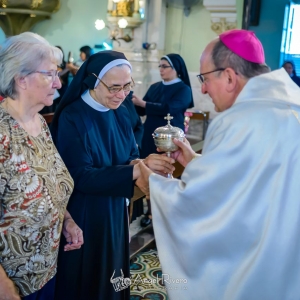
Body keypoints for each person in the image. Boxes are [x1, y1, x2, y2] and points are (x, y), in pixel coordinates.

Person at [136, 29, 300, 300]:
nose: (202, 88)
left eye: (204, 78)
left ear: (229, 76)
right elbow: (255, 179)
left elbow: (209, 208)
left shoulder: (239, 121)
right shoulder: (291, 108)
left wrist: (154, 185)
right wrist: (196, 162)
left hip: (257, 266)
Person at [50, 50, 174, 300]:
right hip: (86, 214)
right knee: (89, 279)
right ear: (93, 80)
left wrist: (143, 163)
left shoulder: (119, 109)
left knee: (115, 273)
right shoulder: (72, 116)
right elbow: (81, 176)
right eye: (114, 87)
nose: (122, 94)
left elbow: (130, 152)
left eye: (127, 86)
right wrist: (135, 169)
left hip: (116, 209)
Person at [0, 32, 83, 300]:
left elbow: (49, 184)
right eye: (49, 74)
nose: (58, 84)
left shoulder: (40, 125)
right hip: (11, 281)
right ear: (21, 78)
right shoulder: (2, 135)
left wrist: (66, 219)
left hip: (45, 269)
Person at [132, 53, 194, 227]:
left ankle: (167, 212)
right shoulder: (155, 87)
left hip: (171, 139)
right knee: (149, 172)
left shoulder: (183, 89)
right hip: (150, 135)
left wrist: (143, 104)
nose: (161, 69)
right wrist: (132, 104)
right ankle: (149, 212)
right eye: (159, 66)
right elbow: (144, 110)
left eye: (165, 66)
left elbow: (171, 108)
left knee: (168, 173)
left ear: (176, 69)